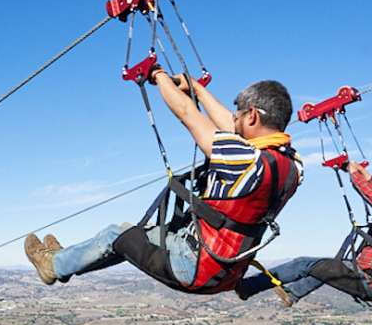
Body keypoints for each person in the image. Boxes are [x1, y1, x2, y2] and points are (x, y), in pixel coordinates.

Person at [23, 69, 302, 296]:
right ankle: (64, 261)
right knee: (129, 236)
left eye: (239, 115)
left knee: (114, 235)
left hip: (196, 265)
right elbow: (231, 128)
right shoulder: (293, 167)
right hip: (228, 269)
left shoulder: (244, 159)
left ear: (252, 115)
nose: (234, 121)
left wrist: (156, 75)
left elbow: (187, 114)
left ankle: (54, 265)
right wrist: (198, 89)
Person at [234, 161, 372, 306]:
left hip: (368, 281)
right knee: (324, 268)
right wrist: (368, 177)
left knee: (304, 264)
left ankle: (247, 287)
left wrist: (354, 175)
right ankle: (292, 293)